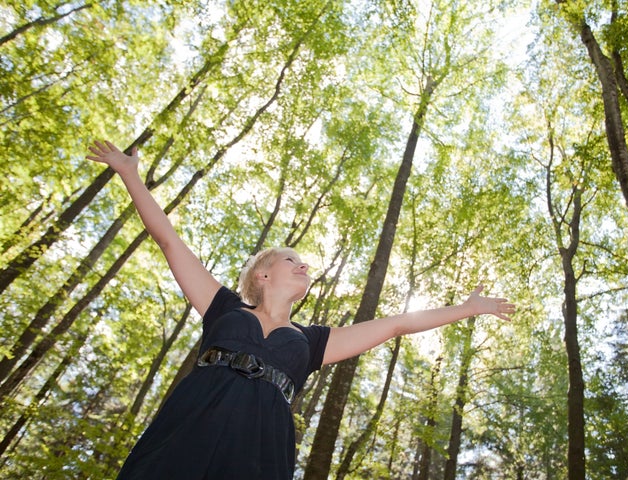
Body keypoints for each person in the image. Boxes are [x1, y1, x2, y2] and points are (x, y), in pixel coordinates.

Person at [86, 140, 516, 480]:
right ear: (262, 275)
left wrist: (466, 308)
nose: (303, 265)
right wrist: (129, 174)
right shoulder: (222, 307)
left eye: (303, 263)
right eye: (291, 260)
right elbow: (168, 240)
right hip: (194, 419)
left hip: (262, 446)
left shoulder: (311, 343)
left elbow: (399, 323)